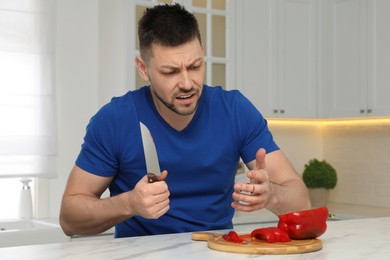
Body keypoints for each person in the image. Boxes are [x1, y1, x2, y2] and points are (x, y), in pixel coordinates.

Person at [59, 3, 311, 238]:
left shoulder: (236, 110)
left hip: (216, 250)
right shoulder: (114, 119)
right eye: (170, 72)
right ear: (143, 68)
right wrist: (129, 204)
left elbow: (302, 202)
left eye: (195, 66)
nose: (187, 83)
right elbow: (70, 219)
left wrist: (271, 194)